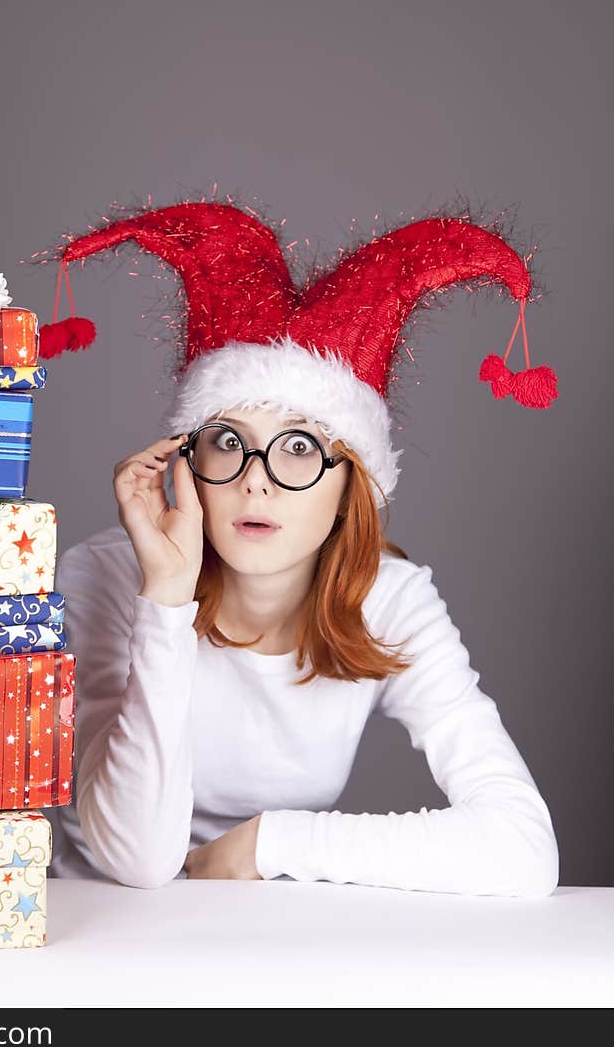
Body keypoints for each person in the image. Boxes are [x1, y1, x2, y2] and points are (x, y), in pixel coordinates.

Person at [38, 199, 560, 896]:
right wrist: (166, 598)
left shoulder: (390, 598)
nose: (257, 483)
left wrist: (271, 841)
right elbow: (132, 860)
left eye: (299, 448)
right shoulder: (108, 575)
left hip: (270, 943)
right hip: (103, 945)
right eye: (228, 442)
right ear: (186, 462)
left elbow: (522, 848)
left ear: (352, 484)